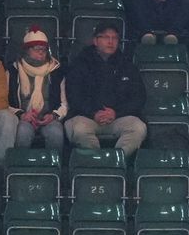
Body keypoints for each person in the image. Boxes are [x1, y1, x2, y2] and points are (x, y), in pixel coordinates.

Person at [61, 24, 149, 155]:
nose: (111, 41)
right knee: (78, 129)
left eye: (115, 38)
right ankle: (96, 161)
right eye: (106, 37)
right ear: (95, 41)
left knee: (138, 128)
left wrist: (116, 113)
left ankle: (117, 161)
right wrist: (93, 113)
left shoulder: (127, 65)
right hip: (87, 117)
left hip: (118, 117)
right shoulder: (80, 63)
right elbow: (74, 96)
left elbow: (139, 96)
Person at [5, 28, 65, 151]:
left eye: (43, 50)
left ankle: (52, 168)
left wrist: (54, 116)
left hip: (48, 118)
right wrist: (21, 115)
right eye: (36, 49)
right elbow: (4, 101)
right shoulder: (13, 71)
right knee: (22, 132)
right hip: (24, 118)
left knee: (56, 133)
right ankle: (20, 168)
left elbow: (65, 103)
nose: (41, 52)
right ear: (26, 50)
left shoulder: (56, 71)